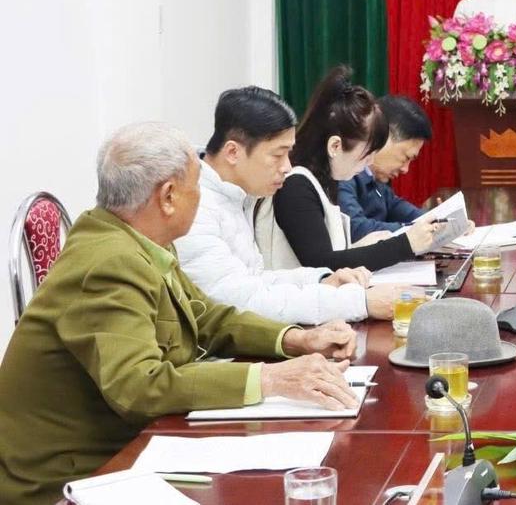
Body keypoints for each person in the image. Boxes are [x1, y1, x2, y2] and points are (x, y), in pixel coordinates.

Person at [0, 122, 359, 505]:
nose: (201, 198)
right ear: (168, 196)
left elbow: (204, 317)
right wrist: (271, 378)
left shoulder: (140, 239)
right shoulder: (109, 262)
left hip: (123, 445)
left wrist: (296, 339)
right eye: (197, 186)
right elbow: (139, 386)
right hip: (68, 479)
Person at [177, 86, 403, 324]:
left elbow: (256, 279)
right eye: (277, 155)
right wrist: (358, 302)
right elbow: (240, 301)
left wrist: (322, 280)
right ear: (233, 152)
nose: (287, 167)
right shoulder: (196, 208)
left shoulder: (235, 197)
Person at [264, 66, 444, 271]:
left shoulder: (325, 181)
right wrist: (406, 243)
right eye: (366, 154)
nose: (369, 163)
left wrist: (359, 246)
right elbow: (322, 265)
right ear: (335, 146)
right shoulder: (296, 185)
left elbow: (333, 253)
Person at [340, 94, 432, 241]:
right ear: (384, 136)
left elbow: (395, 206)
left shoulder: (375, 177)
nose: (405, 169)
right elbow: (355, 229)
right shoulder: (343, 172)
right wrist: (413, 230)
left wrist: (437, 220)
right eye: (406, 157)